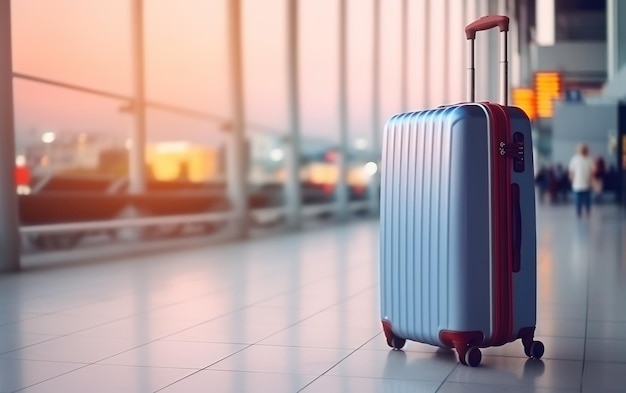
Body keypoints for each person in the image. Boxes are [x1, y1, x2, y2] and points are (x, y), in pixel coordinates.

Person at [568, 143, 594, 218]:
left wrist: (591, 180)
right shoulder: (575, 159)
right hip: (577, 183)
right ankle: (579, 212)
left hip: (587, 183)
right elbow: (571, 171)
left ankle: (587, 211)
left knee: (587, 200)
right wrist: (571, 179)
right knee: (578, 200)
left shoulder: (589, 159)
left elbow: (592, 171)